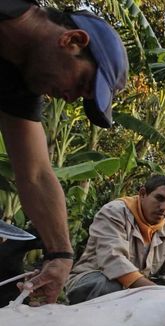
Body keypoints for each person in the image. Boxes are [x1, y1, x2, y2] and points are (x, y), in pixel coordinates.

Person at [0, 1, 128, 303]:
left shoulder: (18, 84)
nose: (70, 99)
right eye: (82, 83)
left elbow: (36, 174)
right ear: (72, 41)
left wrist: (60, 255)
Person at [65, 175, 165, 304]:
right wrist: (153, 292)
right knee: (109, 286)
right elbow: (113, 259)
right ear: (142, 194)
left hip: (138, 290)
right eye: (159, 198)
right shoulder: (114, 212)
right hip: (91, 282)